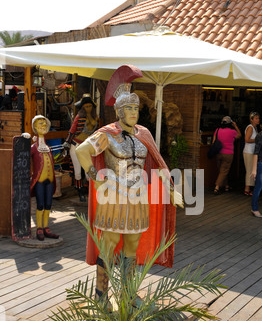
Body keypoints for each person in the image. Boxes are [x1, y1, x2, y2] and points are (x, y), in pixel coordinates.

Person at [75, 65, 182, 302]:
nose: (134, 112)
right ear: (119, 112)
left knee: (132, 245)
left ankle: (128, 294)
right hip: (113, 195)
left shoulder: (143, 132)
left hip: (138, 195)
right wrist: (97, 178)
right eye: (129, 108)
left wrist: (171, 189)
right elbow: (82, 151)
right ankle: (101, 296)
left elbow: (158, 162)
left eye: (136, 108)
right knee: (109, 245)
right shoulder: (107, 133)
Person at [63, 94, 98, 202]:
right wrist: (67, 142)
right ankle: (80, 192)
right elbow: (72, 130)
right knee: (77, 171)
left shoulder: (95, 117)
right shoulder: (79, 117)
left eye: (90, 106)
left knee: (89, 171)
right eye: (86, 106)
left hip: (88, 147)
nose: (88, 108)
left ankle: (89, 192)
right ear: (82, 107)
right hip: (76, 145)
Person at [30, 115, 59, 241]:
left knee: (48, 204)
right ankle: (39, 228)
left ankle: (46, 227)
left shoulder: (48, 148)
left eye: (44, 123)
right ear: (35, 127)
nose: (43, 125)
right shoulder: (34, 148)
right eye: (40, 123)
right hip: (39, 181)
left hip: (50, 181)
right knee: (40, 204)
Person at [213, 116, 241, 195]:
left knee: (221, 170)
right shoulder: (232, 132)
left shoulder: (217, 130)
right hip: (228, 154)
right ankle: (217, 187)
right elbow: (239, 135)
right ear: (230, 123)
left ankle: (226, 186)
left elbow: (213, 142)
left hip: (218, 153)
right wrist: (235, 126)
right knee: (224, 171)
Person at [243, 112, 260, 196]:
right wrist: (257, 140)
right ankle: (247, 189)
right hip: (248, 151)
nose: (258, 120)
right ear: (251, 119)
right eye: (256, 118)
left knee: (252, 170)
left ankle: (249, 188)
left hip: (253, 151)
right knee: (249, 170)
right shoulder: (250, 128)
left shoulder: (255, 128)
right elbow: (247, 139)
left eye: (258, 118)